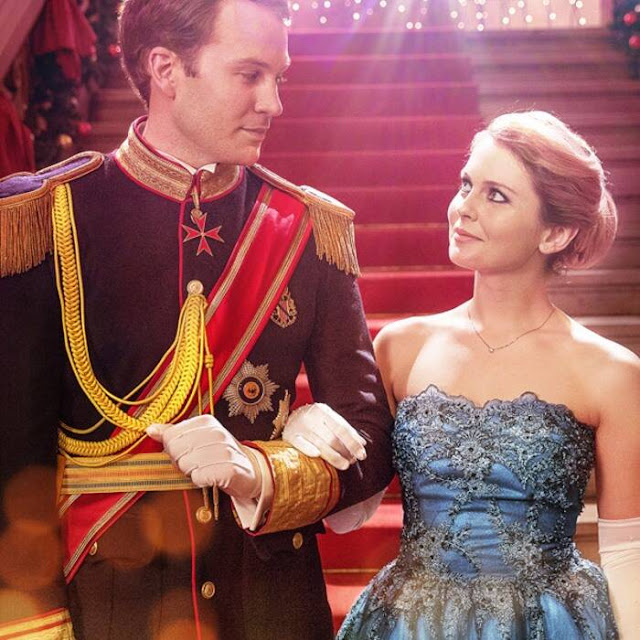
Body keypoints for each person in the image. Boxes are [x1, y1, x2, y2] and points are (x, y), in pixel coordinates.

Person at [0, 0, 394, 638]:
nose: (273, 102)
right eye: (249, 75)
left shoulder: (304, 227)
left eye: (278, 78)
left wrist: (263, 473)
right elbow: (13, 458)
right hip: (108, 605)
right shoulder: (48, 217)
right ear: (165, 69)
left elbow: (371, 440)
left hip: (268, 604)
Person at [334, 111, 640, 639]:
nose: (463, 208)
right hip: (412, 622)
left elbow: (627, 551)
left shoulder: (610, 373)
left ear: (556, 232)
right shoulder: (401, 347)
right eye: (466, 184)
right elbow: (350, 514)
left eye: (496, 195)